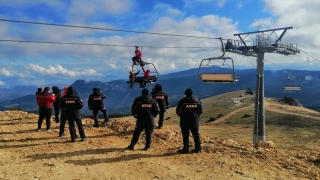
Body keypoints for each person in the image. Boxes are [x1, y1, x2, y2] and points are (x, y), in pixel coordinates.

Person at [176, 88, 203, 154]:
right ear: (192, 93)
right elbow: (201, 111)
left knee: (185, 135)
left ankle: (186, 149)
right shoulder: (198, 100)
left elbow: (178, 111)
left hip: (184, 121)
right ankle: (198, 148)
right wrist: (196, 116)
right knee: (196, 134)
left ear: (185, 94)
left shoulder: (182, 101)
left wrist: (182, 116)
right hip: (195, 120)